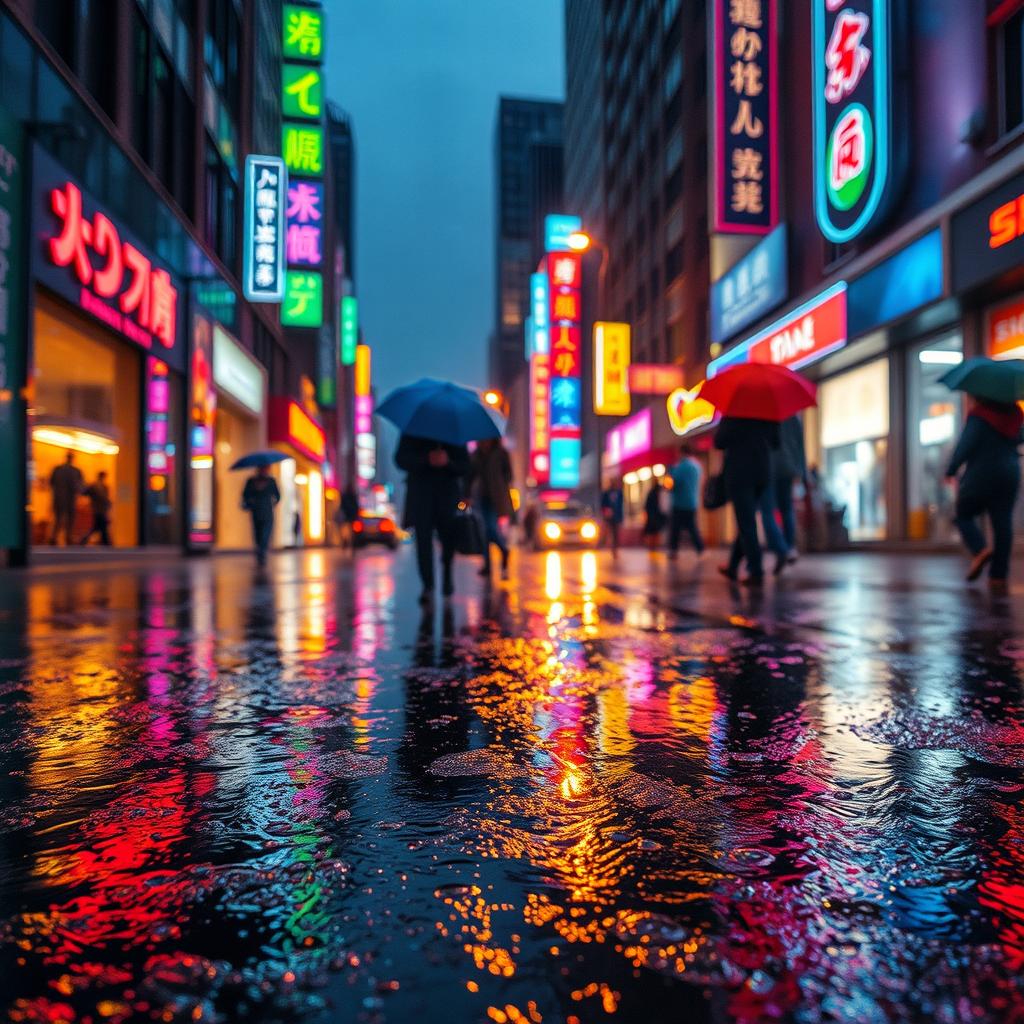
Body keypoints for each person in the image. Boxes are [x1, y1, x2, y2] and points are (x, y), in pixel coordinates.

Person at [947, 396, 1023, 592]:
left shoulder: (979, 416)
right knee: (1002, 523)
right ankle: (998, 576)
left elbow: (966, 444)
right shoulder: (1015, 414)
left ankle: (980, 549)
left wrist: (951, 469)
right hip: (1009, 472)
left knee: (963, 514)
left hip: (981, 474)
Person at [395, 433, 470, 604]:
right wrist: (426, 459)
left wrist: (448, 462)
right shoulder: (413, 431)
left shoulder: (454, 434)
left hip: (447, 496)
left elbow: (465, 465)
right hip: (421, 495)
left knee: (448, 539)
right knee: (423, 542)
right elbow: (400, 459)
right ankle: (428, 585)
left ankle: (447, 575)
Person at [715, 415, 781, 585]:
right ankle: (733, 565)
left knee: (746, 523)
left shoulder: (733, 413)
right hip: (761, 472)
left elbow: (719, 441)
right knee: (746, 521)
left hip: (740, 473)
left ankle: (756, 571)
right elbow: (776, 443)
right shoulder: (767, 412)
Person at [469, 437, 513, 579]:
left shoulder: (500, 453)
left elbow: (509, 475)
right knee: (485, 531)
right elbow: (470, 475)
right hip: (482, 496)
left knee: (489, 528)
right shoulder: (477, 455)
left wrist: (500, 483)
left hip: (497, 497)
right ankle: (489, 563)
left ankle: (503, 551)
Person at [668, 444, 705, 559]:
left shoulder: (681, 467)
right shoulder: (697, 466)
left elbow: (673, 483)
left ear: (682, 452)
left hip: (679, 502)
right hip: (693, 501)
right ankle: (700, 548)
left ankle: (673, 551)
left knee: (675, 528)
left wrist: (670, 473)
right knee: (692, 527)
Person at [242, 464, 280, 567]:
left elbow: (277, 496)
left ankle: (261, 551)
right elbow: (277, 496)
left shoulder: (254, 481)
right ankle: (261, 551)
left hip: (260, 511)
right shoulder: (269, 481)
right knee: (260, 534)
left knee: (262, 534)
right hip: (262, 511)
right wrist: (273, 502)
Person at [49, 452, 83, 546]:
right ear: (72, 459)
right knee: (69, 519)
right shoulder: (75, 471)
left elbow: (51, 483)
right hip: (70, 499)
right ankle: (67, 537)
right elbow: (79, 487)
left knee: (58, 519)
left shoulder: (57, 469)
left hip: (58, 499)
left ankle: (54, 537)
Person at [80, 471, 113, 546]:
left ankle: (106, 542)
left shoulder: (98, 486)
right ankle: (106, 542)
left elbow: (85, 493)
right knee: (100, 526)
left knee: (99, 526)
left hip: (98, 509)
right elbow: (103, 498)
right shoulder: (97, 486)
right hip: (99, 509)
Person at [600, 478, 625, 556]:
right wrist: (605, 513)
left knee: (615, 533)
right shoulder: (607, 493)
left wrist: (621, 517)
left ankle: (614, 548)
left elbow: (621, 506)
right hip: (609, 517)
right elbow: (603, 504)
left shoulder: (619, 493)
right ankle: (606, 544)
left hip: (617, 516)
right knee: (609, 532)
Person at [642, 478, 666, 551]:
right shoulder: (659, 492)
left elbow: (646, 506)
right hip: (656, 516)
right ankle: (654, 547)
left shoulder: (652, 492)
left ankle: (653, 547)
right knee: (655, 532)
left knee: (652, 532)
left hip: (653, 516)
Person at [339, 484, 360, 554]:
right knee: (350, 532)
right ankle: (349, 543)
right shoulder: (352, 497)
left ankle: (347, 543)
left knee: (347, 531)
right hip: (351, 517)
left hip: (348, 517)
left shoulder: (345, 497)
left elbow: (343, 507)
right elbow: (356, 507)